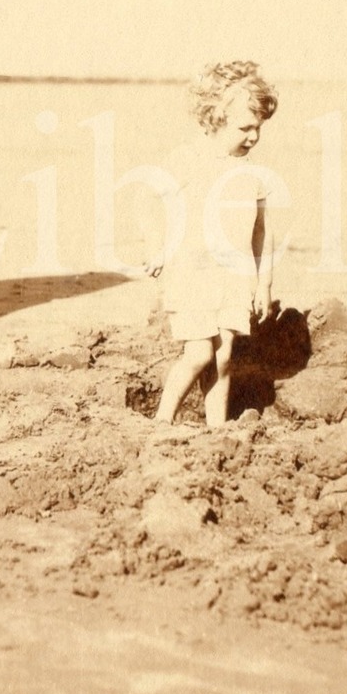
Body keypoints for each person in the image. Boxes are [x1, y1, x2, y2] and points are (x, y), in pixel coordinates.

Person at [145, 61, 278, 428]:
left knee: (223, 356)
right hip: (191, 272)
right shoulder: (187, 159)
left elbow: (261, 231)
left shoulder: (254, 173)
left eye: (259, 128)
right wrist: (157, 247)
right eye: (245, 128)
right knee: (199, 352)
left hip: (231, 278)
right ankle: (162, 419)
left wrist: (264, 283)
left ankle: (216, 427)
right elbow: (150, 203)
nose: (253, 137)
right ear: (215, 117)